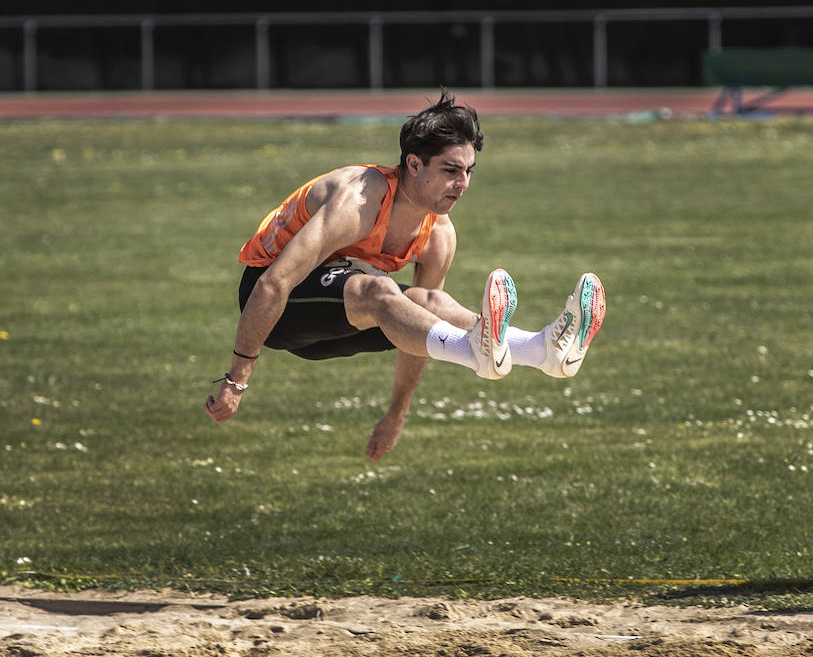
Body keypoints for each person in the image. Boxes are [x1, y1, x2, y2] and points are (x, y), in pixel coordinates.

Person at [204, 91, 606, 461]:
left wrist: (396, 414)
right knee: (377, 289)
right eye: (451, 170)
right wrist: (236, 380)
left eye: (469, 171)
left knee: (432, 304)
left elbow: (421, 334)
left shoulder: (440, 234)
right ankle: (480, 351)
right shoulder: (359, 200)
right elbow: (273, 283)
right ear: (414, 164)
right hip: (273, 308)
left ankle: (542, 352)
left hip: (342, 314)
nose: (462, 184)